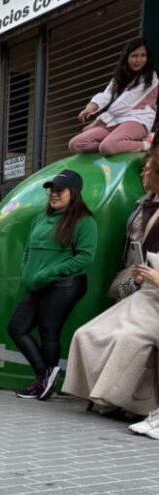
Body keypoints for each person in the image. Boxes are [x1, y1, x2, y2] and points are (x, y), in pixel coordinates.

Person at [64, 146, 159, 425]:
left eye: (147, 169)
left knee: (126, 339)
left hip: (153, 293)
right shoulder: (142, 204)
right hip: (136, 282)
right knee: (86, 333)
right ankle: (107, 398)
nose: (143, 174)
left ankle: (129, 401)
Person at [8, 169, 97, 400]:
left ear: (73, 193)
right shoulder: (40, 217)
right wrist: (27, 272)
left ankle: (43, 383)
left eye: (59, 190)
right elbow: (28, 249)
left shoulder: (84, 220)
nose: (53, 194)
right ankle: (44, 377)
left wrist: (49, 272)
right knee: (17, 328)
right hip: (37, 284)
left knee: (49, 331)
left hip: (64, 284)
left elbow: (85, 257)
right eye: (51, 190)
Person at [69, 38, 157, 156]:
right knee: (76, 144)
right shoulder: (119, 78)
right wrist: (91, 107)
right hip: (114, 121)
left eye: (143, 55)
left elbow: (125, 103)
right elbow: (106, 95)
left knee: (108, 146)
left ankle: (147, 144)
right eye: (134, 56)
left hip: (136, 120)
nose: (138, 60)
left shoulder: (150, 78)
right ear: (126, 58)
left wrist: (97, 122)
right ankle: (118, 144)